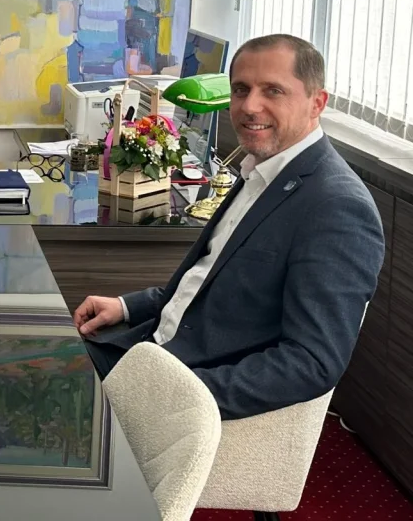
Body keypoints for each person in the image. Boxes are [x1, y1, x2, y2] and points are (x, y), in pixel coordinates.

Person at [73, 34, 384, 420]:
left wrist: (174, 397)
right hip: (144, 349)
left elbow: (312, 362)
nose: (250, 106)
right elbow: (212, 285)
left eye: (273, 90)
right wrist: (126, 306)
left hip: (182, 383)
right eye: (241, 90)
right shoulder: (262, 170)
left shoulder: (337, 207)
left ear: (317, 103)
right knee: (19, 356)